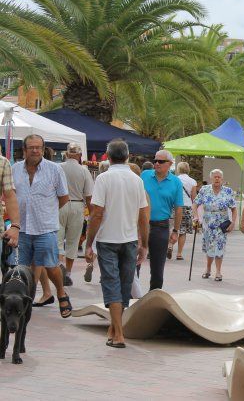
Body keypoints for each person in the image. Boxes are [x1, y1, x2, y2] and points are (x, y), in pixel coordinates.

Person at [85, 140, 149, 349]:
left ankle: (119, 334)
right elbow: (143, 216)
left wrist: (89, 242)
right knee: (124, 284)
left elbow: (96, 214)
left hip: (107, 239)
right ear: (128, 156)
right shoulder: (136, 180)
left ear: (108, 156)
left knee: (111, 283)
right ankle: (113, 330)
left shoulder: (103, 178)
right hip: (129, 239)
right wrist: (144, 244)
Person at [13, 134, 72, 317]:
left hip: (45, 227)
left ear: (43, 149)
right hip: (23, 228)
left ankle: (61, 293)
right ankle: (24, 301)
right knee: (23, 268)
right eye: (31, 147)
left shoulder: (55, 169)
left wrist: (48, 211)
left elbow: (64, 197)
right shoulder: (15, 169)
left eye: (38, 147)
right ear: (24, 150)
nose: (35, 150)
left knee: (51, 265)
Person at [140, 150, 183, 290]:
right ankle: (132, 297)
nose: (157, 163)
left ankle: (154, 297)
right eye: (155, 160)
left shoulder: (176, 182)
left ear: (170, 164)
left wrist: (175, 230)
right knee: (133, 264)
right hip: (140, 225)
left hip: (161, 227)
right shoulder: (145, 175)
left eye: (161, 161)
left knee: (157, 269)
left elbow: (178, 208)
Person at [57, 143, 93, 286]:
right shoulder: (84, 171)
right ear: (79, 155)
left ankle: (59, 267)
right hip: (77, 205)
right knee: (73, 241)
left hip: (59, 205)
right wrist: (91, 215)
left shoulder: (58, 167)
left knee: (58, 239)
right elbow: (89, 196)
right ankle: (68, 273)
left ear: (66, 154)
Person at [192, 169, 236, 282]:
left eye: (219, 177)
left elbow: (234, 208)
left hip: (222, 224)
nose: (217, 179)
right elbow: (195, 204)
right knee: (209, 247)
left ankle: (218, 271)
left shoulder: (228, 191)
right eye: (215, 177)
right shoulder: (204, 189)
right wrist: (196, 217)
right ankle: (208, 269)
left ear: (222, 179)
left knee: (220, 246)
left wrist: (233, 223)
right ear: (211, 178)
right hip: (208, 223)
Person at [167, 162, 197, 261]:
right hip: (187, 207)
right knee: (183, 232)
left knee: (172, 228)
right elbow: (194, 197)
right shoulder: (192, 181)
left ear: (178, 169)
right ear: (188, 169)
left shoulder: (174, 179)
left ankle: (170, 245)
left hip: (175, 206)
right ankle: (179, 254)